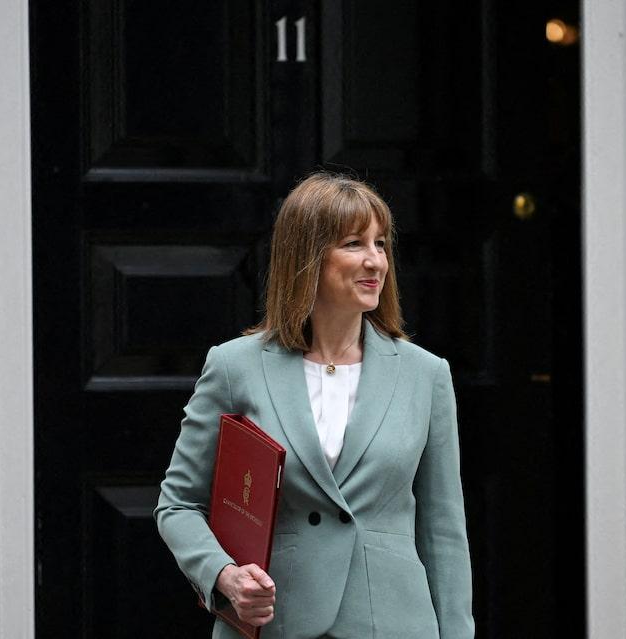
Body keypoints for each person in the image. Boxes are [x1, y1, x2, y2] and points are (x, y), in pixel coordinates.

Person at [155, 172, 474, 638]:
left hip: (393, 624)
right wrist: (224, 575)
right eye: (354, 244)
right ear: (307, 257)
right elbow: (179, 503)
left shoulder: (425, 374)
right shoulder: (234, 367)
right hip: (276, 623)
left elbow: (443, 530)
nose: (375, 261)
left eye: (381, 243)